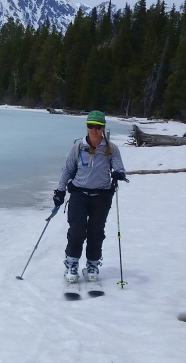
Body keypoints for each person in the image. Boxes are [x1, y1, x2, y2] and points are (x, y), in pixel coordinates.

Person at [52, 110, 126, 283]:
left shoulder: (111, 149)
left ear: (103, 127)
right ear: (87, 126)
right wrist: (60, 192)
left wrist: (119, 174)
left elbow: (120, 168)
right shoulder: (78, 146)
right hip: (79, 194)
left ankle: (92, 265)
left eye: (98, 126)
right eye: (91, 126)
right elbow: (67, 170)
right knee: (77, 231)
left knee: (96, 232)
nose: (94, 130)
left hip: (101, 196)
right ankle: (71, 264)